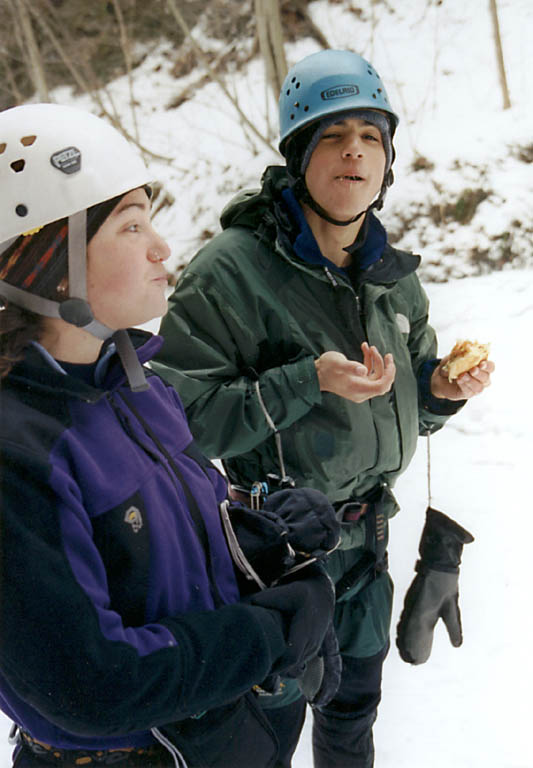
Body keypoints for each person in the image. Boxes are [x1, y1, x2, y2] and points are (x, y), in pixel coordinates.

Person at [151, 49, 495, 768]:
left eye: (371, 136)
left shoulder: (390, 275)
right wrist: (304, 381)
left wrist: (436, 394)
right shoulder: (230, 270)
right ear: (298, 154)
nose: (354, 152)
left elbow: (407, 409)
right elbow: (179, 423)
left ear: (388, 157)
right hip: (272, 555)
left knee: (351, 715)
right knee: (263, 736)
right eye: (333, 135)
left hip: (365, 544)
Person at [0, 102, 338, 768]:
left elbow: (149, 548)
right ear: (49, 266)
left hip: (211, 737)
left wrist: (258, 536)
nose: (160, 246)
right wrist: (265, 632)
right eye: (130, 225)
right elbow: (89, 681)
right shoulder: (18, 450)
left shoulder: (138, 388)